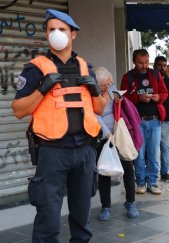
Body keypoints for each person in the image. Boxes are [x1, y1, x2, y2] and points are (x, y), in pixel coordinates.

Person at [11, 9, 108, 242]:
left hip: (85, 150)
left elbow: (100, 109)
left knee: (82, 219)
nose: (56, 33)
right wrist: (41, 88)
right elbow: (19, 110)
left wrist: (96, 91)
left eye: (62, 29)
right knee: (48, 220)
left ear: (73, 34)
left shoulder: (86, 66)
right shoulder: (35, 68)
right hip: (52, 153)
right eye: (51, 29)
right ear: (46, 33)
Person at [94, 67, 140, 220]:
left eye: (109, 84)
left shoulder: (110, 87)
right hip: (103, 136)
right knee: (104, 171)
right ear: (96, 83)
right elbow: (95, 116)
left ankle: (131, 202)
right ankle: (105, 207)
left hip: (119, 133)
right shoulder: (92, 94)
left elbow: (119, 104)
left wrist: (119, 99)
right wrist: (108, 134)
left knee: (128, 167)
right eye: (104, 85)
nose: (108, 87)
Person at [121, 49, 168, 195]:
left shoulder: (155, 74)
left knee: (153, 153)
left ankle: (152, 182)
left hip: (155, 120)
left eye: (147, 62)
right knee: (139, 154)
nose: (144, 65)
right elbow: (123, 98)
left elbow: (164, 93)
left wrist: (158, 97)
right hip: (137, 121)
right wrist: (138, 98)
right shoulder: (128, 77)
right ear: (134, 61)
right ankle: (140, 182)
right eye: (141, 63)